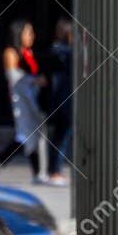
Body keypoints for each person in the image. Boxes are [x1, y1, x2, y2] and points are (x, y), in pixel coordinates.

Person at [0, 21, 47, 182]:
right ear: (18, 34)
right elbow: (13, 76)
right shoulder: (10, 53)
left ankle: (37, 173)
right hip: (19, 100)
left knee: (32, 135)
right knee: (24, 135)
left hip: (31, 98)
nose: (31, 36)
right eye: (28, 32)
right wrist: (34, 80)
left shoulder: (27, 53)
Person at [46, 17, 73, 178]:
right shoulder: (61, 50)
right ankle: (55, 170)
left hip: (62, 99)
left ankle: (54, 169)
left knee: (60, 136)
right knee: (61, 136)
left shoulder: (63, 50)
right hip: (63, 100)